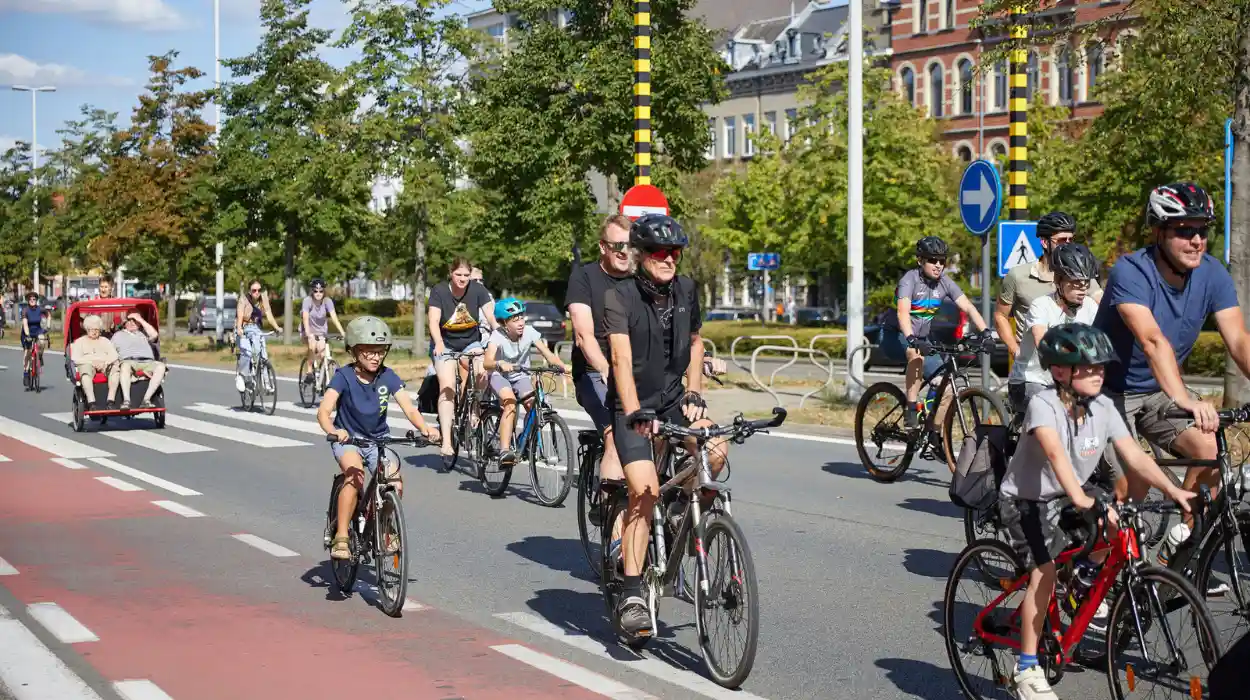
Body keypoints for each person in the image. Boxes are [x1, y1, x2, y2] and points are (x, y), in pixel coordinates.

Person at [998, 323, 1194, 700]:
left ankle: (1081, 580)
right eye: (1088, 368)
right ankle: (1026, 669)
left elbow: (1135, 455)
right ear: (1060, 371)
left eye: (1101, 366)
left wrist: (1174, 491)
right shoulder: (1044, 404)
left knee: (1117, 526)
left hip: (1070, 493)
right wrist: (1082, 498)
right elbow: (1055, 454)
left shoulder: (1103, 407)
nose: (1098, 373)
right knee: (1044, 571)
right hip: (1027, 499)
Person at [604, 213, 727, 639]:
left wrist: (693, 392)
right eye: (659, 252)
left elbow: (694, 342)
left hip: (674, 399)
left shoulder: (687, 290)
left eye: (674, 252)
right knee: (644, 491)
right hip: (632, 406)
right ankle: (632, 595)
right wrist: (636, 412)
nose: (669, 258)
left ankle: (678, 516)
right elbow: (620, 359)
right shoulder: (619, 296)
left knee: (716, 450)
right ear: (641, 255)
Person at [1094, 181, 1250, 501]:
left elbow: (1238, 340)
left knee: (1210, 451)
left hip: (1157, 392)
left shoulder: (1213, 274)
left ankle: (1185, 531)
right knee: (1135, 482)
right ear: (1158, 232)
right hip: (1107, 392)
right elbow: (1152, 341)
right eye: (1183, 230)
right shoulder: (1131, 271)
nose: (1196, 241)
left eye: (1202, 231)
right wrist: (1185, 399)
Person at [318, 316, 439, 560]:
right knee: (355, 476)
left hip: (378, 440)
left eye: (381, 351)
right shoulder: (343, 376)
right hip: (349, 440)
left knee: (394, 482)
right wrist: (334, 430)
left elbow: (409, 408)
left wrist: (425, 428)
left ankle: (384, 528)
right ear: (354, 351)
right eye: (369, 351)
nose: (376, 357)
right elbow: (323, 411)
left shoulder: (388, 376)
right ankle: (342, 536)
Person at [565, 214, 633, 522]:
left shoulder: (640, 280)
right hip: (594, 373)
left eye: (630, 245)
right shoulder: (584, 278)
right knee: (615, 436)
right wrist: (606, 368)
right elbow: (583, 336)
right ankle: (611, 519)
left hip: (634, 371)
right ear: (603, 246)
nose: (624, 251)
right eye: (618, 245)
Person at [886, 236, 990, 429]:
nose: (938, 265)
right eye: (932, 260)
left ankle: (933, 431)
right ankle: (911, 409)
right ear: (920, 260)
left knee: (947, 384)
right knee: (916, 355)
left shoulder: (945, 282)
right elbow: (903, 313)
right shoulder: (909, 280)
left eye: (942, 261)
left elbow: (968, 307)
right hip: (895, 335)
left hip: (922, 338)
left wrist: (986, 332)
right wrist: (911, 338)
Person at [1007, 244, 1101, 419]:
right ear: (1058, 281)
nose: (1082, 289)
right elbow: (1043, 343)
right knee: (1054, 413)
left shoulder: (1089, 307)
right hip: (1031, 380)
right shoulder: (1041, 306)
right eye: (1076, 283)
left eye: (1086, 283)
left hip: (1070, 383)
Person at [994, 212, 1104, 359]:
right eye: (1061, 240)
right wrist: (1015, 350)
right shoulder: (1018, 275)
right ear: (1045, 242)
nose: (1067, 244)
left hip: (1072, 361)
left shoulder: (1081, 276)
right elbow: (1001, 315)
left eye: (1071, 240)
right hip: (1032, 364)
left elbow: (1104, 306)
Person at [483, 298, 568, 466]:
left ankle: (525, 440)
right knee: (510, 404)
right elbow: (487, 362)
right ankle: (505, 451)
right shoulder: (497, 335)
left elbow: (548, 354)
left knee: (533, 403)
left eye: (521, 317)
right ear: (504, 323)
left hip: (520, 376)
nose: (521, 322)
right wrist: (499, 364)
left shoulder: (530, 332)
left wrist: (563, 367)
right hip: (499, 376)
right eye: (515, 320)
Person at [429, 257, 495, 468]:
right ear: (451, 273)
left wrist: (500, 336)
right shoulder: (439, 291)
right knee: (447, 387)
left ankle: (474, 408)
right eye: (459, 274)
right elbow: (433, 321)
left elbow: (491, 318)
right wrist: (439, 342)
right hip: (445, 344)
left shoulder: (478, 290)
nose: (463, 279)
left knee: (482, 372)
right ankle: (447, 441)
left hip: (470, 343)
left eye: (466, 275)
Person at [112, 312, 167, 409]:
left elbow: (154, 335)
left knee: (161, 366)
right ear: (124, 323)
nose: (132, 323)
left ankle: (146, 399)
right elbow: (110, 352)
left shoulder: (144, 333)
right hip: (129, 361)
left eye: (135, 321)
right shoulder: (117, 335)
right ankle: (126, 400)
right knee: (125, 366)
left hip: (148, 362)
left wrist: (140, 319)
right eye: (129, 321)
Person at [235, 280, 281, 393]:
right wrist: (239, 329)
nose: (257, 292)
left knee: (263, 355)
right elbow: (240, 316)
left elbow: (269, 315)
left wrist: (277, 327)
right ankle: (242, 376)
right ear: (249, 291)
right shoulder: (243, 299)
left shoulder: (263, 299)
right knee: (247, 352)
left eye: (259, 290)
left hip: (256, 328)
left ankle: (266, 383)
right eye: (254, 290)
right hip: (244, 327)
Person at [300, 279, 346, 385]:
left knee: (323, 354)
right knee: (312, 347)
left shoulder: (327, 301)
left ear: (324, 291)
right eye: (315, 291)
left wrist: (343, 333)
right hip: (308, 330)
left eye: (321, 291)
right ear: (312, 291)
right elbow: (305, 318)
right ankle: (309, 372)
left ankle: (323, 377)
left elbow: (334, 318)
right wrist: (308, 334)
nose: (318, 293)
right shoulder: (307, 301)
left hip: (321, 332)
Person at [70, 314, 120, 408]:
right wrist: (91, 362)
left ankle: (111, 400)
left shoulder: (105, 341)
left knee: (115, 370)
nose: (94, 332)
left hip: (104, 364)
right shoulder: (80, 342)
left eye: (97, 329)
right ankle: (91, 402)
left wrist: (105, 363)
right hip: (88, 365)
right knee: (85, 373)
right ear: (87, 329)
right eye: (91, 329)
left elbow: (114, 355)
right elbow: (76, 358)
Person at [20, 291, 48, 387]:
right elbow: (25, 324)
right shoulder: (25, 310)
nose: (32, 300)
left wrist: (47, 326)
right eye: (30, 299)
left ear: (36, 300)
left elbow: (48, 314)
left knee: (42, 341)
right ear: (28, 301)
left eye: (34, 299)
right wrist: (27, 335)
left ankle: (39, 356)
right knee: (27, 353)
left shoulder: (40, 309)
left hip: (38, 330)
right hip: (27, 332)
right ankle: (26, 372)